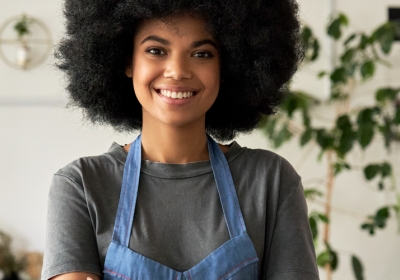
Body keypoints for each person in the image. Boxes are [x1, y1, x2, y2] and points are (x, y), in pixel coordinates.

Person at [42, 0, 319, 279]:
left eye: (202, 54)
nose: (177, 71)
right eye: (155, 51)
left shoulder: (271, 181)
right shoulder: (81, 185)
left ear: (228, 66)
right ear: (127, 61)